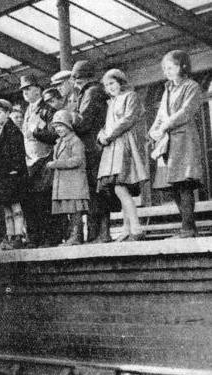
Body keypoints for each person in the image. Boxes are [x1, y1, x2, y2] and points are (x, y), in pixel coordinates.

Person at [149, 50, 204, 238]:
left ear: (182, 66)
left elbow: (186, 111)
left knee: (184, 183)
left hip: (184, 141)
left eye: (170, 67)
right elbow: (160, 114)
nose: (167, 71)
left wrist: (163, 126)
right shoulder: (168, 89)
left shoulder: (192, 86)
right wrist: (154, 130)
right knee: (173, 186)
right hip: (168, 143)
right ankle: (186, 227)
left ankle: (188, 227)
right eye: (165, 68)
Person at [97, 69, 149, 242]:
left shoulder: (130, 96)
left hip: (124, 145)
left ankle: (136, 227)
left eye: (112, 83)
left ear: (120, 81)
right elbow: (108, 124)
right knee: (118, 186)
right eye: (106, 85)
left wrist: (109, 135)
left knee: (120, 186)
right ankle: (127, 228)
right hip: (112, 148)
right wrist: (101, 134)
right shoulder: (111, 102)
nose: (109, 87)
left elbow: (128, 119)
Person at [18, 75, 62, 247]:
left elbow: (54, 133)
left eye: (28, 89)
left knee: (45, 200)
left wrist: (36, 132)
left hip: (44, 161)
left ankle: (50, 238)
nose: (26, 93)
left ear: (38, 89)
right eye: (23, 90)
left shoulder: (47, 109)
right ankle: (34, 238)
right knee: (30, 201)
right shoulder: (27, 110)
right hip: (30, 163)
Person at [71, 60, 111, 243]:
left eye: (76, 78)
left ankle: (101, 234)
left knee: (97, 192)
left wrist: (71, 114)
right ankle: (98, 234)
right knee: (96, 191)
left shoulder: (91, 92)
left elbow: (82, 123)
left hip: (92, 148)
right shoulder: (94, 91)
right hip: (95, 147)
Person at [0, 99, 28, 249]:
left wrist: (14, 170)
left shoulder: (13, 131)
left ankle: (18, 236)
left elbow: (18, 154)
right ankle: (9, 236)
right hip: (1, 175)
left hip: (12, 175)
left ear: (7, 113)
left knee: (15, 206)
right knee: (6, 208)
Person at [47, 110, 89, 246]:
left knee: (75, 211)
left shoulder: (75, 141)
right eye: (56, 127)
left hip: (74, 182)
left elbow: (77, 160)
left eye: (61, 126)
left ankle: (76, 236)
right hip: (66, 182)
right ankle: (73, 236)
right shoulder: (59, 142)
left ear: (69, 126)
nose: (58, 129)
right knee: (69, 211)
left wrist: (56, 164)